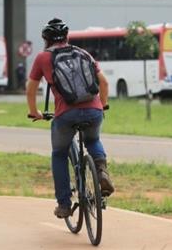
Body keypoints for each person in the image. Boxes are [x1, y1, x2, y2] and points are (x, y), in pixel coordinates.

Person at [26, 18, 115, 218]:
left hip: (65, 115)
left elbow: (30, 88)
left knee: (59, 153)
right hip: (94, 111)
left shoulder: (43, 58)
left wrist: (35, 112)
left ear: (46, 39)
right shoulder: (84, 53)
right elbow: (104, 83)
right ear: (67, 37)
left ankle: (64, 204)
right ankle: (101, 172)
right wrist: (103, 104)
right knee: (93, 140)